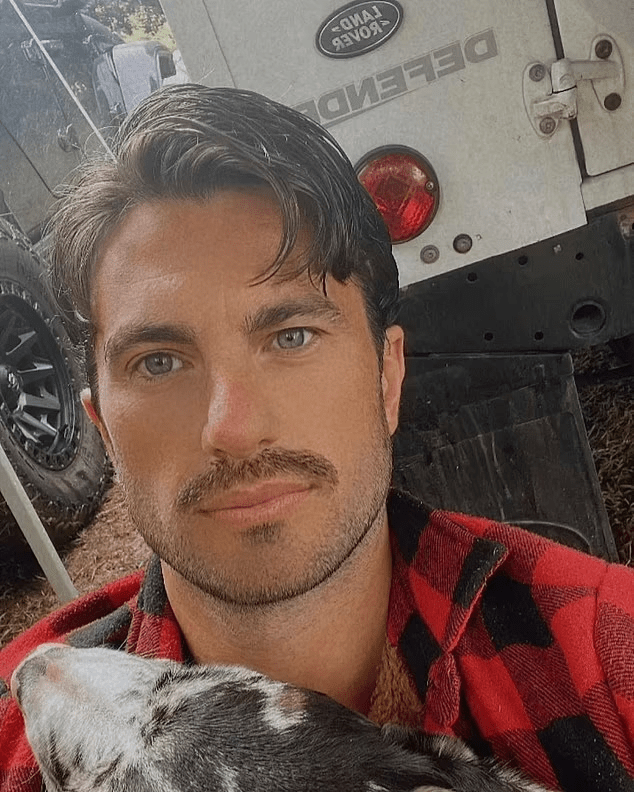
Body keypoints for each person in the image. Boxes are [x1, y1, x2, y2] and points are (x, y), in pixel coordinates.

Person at [1, 84, 633, 791]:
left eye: (291, 335)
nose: (231, 427)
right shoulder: (14, 748)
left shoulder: (609, 657)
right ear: (103, 432)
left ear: (388, 376)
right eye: (159, 362)